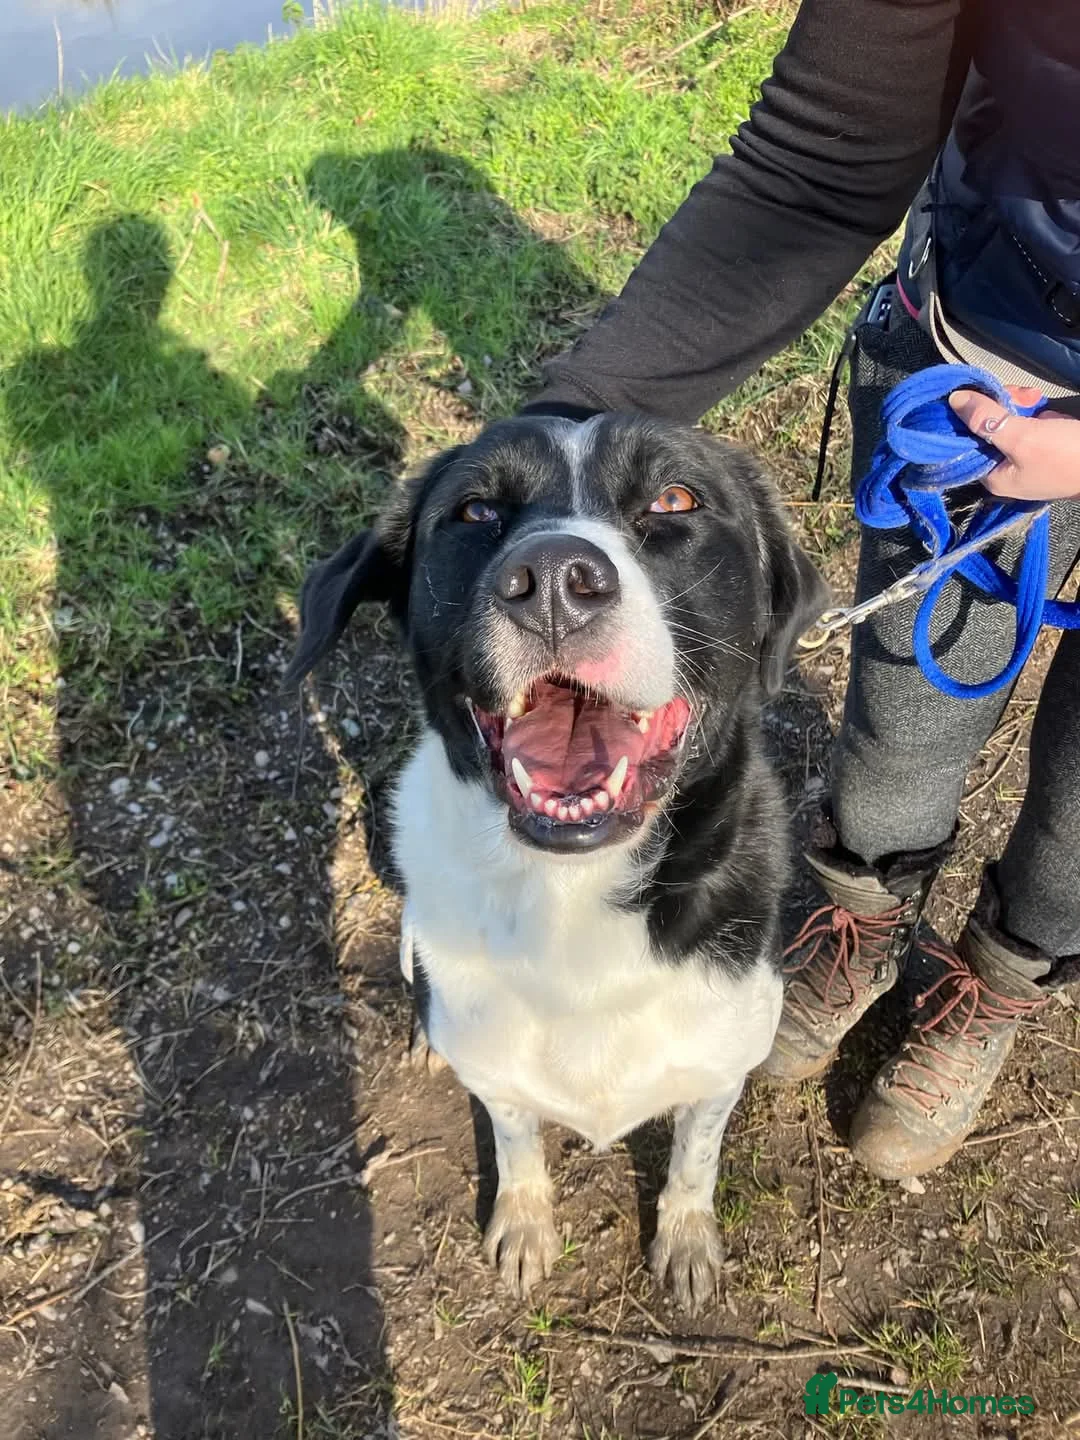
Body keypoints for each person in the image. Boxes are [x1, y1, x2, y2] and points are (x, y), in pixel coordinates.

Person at [523, 0, 1080, 1179]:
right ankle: (859, 922)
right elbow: (823, 157)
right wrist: (555, 442)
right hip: (988, 376)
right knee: (902, 732)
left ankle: (1003, 978)